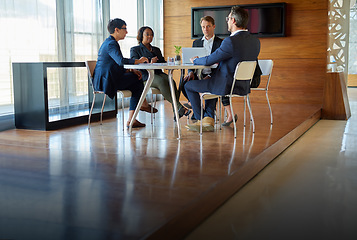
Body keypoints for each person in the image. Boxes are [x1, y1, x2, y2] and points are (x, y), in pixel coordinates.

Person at [185, 6, 261, 132]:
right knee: (205, 81)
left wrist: (195, 60)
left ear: (234, 20)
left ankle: (201, 120)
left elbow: (209, 60)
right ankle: (207, 119)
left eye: (228, 18)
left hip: (225, 85)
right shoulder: (255, 41)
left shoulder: (230, 41)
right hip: (243, 85)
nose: (227, 21)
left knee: (189, 86)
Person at [93, 18, 157, 129]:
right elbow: (121, 61)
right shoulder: (111, 44)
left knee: (136, 81)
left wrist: (131, 69)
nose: (126, 32)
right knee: (138, 82)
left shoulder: (110, 42)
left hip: (108, 78)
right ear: (117, 30)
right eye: (125, 29)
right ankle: (137, 113)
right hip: (106, 81)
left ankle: (135, 115)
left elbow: (116, 63)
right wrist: (139, 61)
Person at [130, 26, 191, 119]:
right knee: (162, 82)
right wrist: (150, 61)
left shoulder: (156, 49)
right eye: (147, 34)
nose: (150, 36)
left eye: (151, 35)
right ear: (141, 35)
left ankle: (177, 112)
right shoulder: (135, 49)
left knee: (171, 81)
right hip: (146, 76)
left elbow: (162, 61)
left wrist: (170, 61)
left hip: (159, 74)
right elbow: (135, 62)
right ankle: (179, 107)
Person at [181, 16, 223, 121]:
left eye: (208, 26)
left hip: (214, 76)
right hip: (199, 75)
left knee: (211, 88)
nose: (205, 29)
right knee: (184, 83)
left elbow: (222, 64)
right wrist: (190, 72)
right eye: (203, 27)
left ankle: (204, 115)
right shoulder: (196, 43)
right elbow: (192, 61)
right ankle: (201, 114)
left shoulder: (221, 43)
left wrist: (210, 76)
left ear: (214, 27)